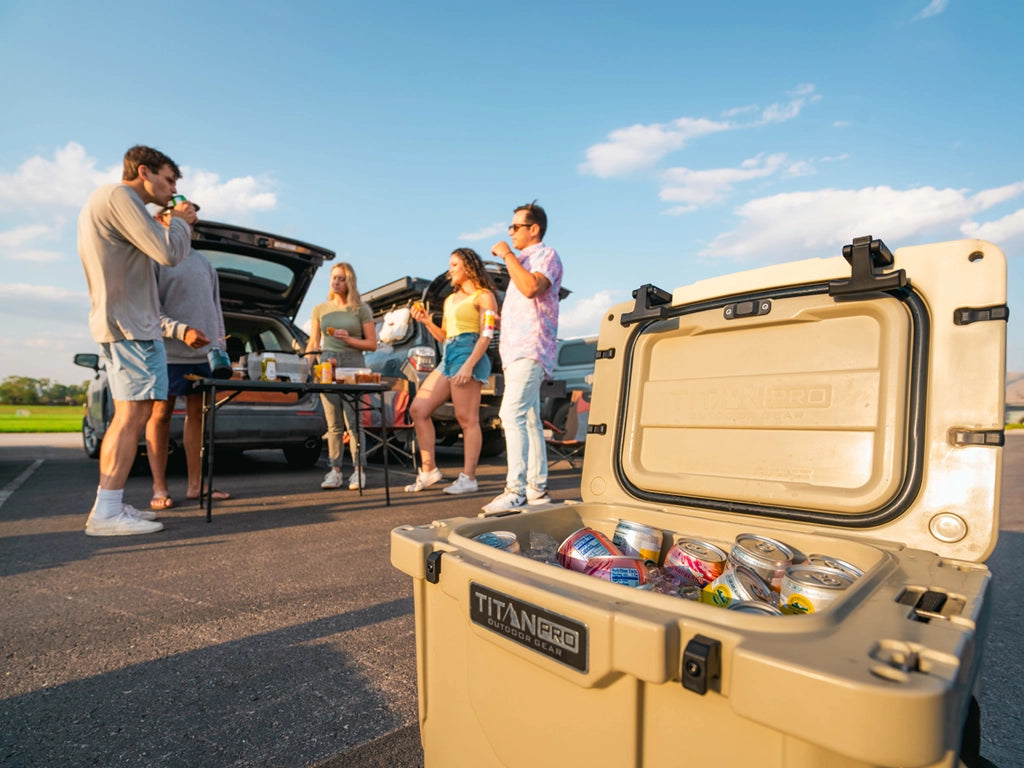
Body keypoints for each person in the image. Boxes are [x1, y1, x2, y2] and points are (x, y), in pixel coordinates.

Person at [78, 145, 198, 535]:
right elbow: (168, 253)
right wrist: (181, 222)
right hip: (132, 327)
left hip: (123, 323)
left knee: (130, 415)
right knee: (132, 416)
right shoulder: (119, 196)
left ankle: (110, 504)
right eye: (168, 181)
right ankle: (106, 514)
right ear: (143, 172)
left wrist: (169, 223)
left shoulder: (113, 202)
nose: (172, 190)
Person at [482, 201, 563, 513]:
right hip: (515, 352)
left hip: (532, 349)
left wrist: (506, 255)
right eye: (510, 227)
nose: (510, 231)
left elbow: (531, 288)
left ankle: (514, 490)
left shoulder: (546, 255)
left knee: (511, 414)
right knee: (528, 421)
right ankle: (536, 490)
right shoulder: (523, 260)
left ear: (534, 229)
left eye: (516, 226)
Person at [145, 234, 232, 510]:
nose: (191, 216)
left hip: (203, 355)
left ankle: (197, 486)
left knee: (197, 416)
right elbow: (149, 311)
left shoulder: (204, 263)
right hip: (168, 353)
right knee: (160, 415)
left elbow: (215, 309)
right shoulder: (155, 256)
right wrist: (179, 332)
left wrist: (220, 345)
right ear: (163, 220)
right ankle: (160, 487)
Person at [405, 248, 499, 494]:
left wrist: (469, 365)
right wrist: (426, 321)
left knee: (466, 419)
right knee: (418, 409)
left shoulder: (484, 296)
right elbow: (445, 336)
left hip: (470, 351)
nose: (450, 270)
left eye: (455, 265)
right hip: (449, 355)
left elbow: (487, 334)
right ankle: (429, 471)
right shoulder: (449, 300)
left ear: (468, 267)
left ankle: (469, 478)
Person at [307, 262, 377, 490]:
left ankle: (358, 471)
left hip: (353, 363)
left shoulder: (360, 309)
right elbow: (314, 342)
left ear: (350, 281)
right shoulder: (320, 309)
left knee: (354, 422)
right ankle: (334, 470)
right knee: (333, 423)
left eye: (341, 278)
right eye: (333, 278)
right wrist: (307, 367)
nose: (335, 282)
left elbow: (372, 344)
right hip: (327, 363)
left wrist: (349, 339)